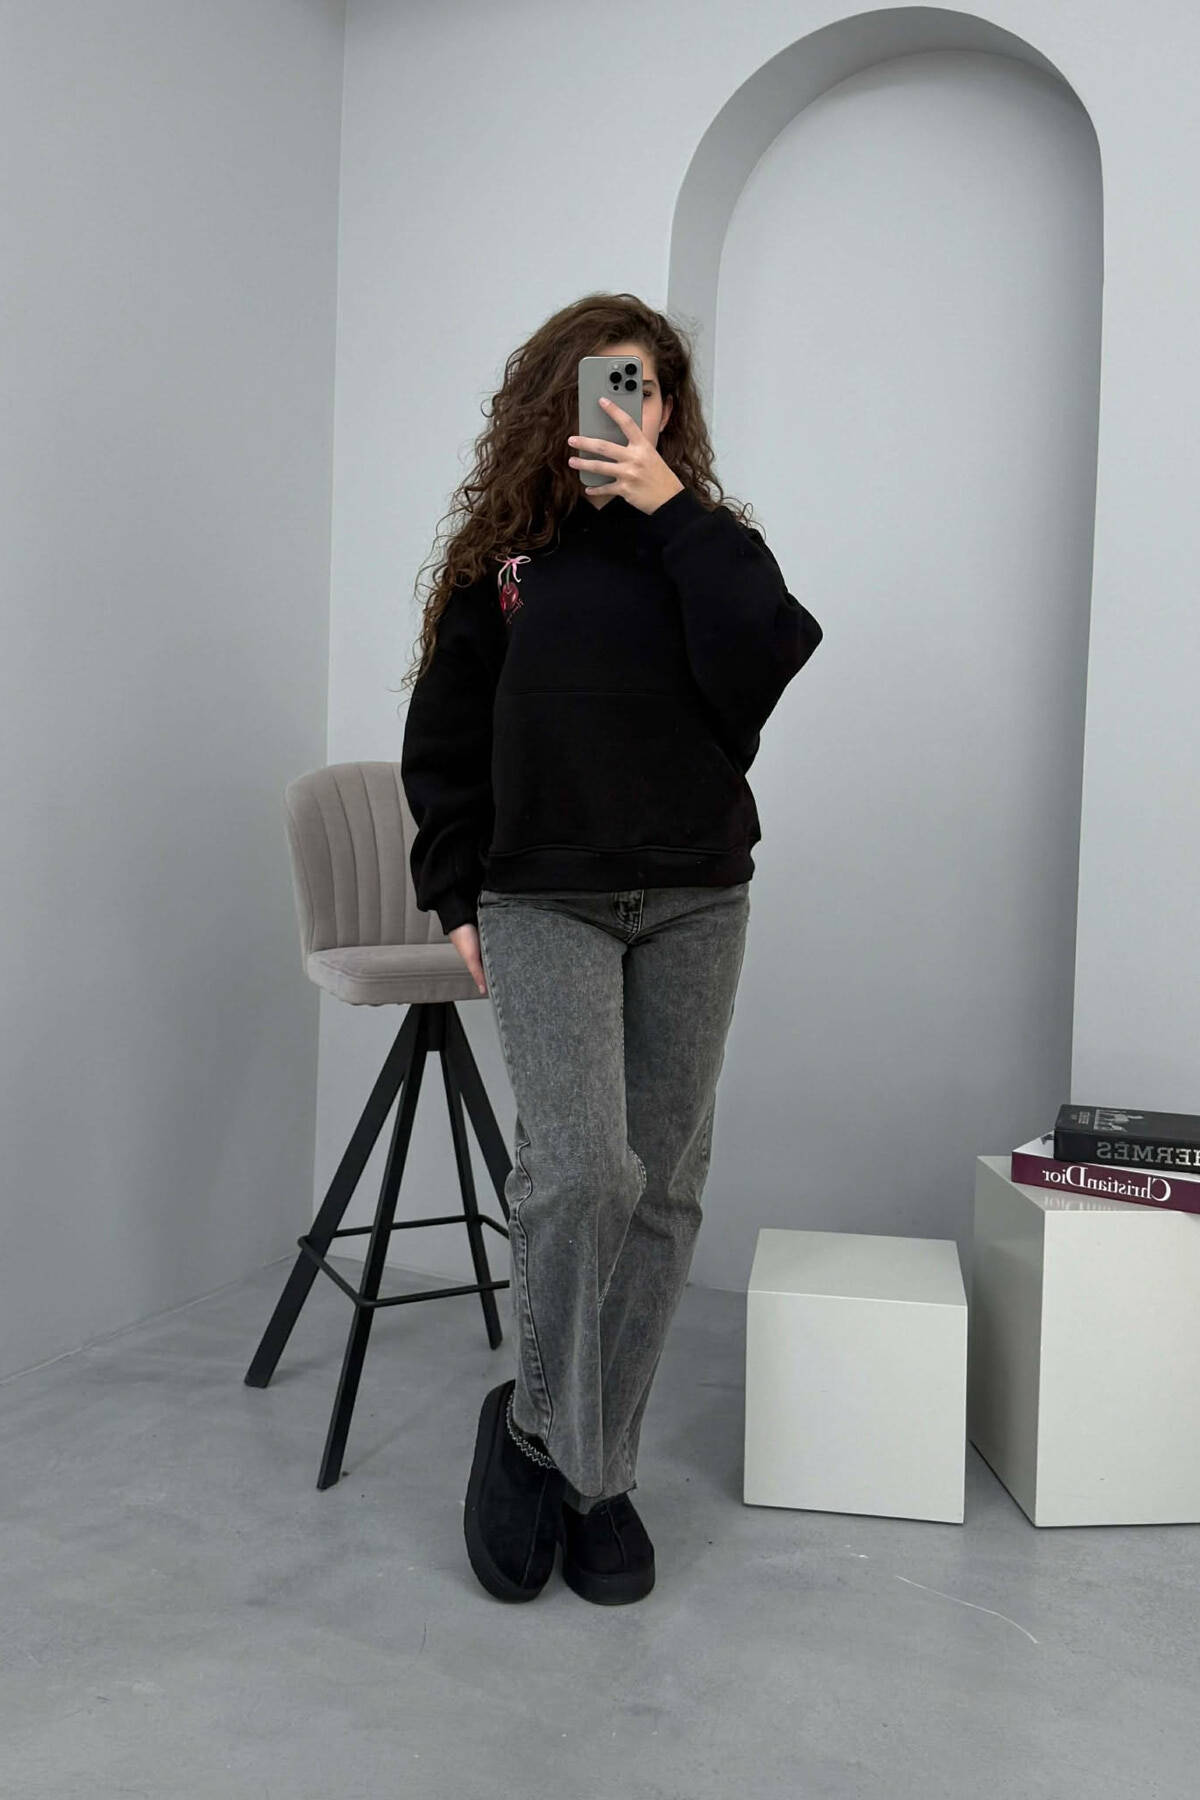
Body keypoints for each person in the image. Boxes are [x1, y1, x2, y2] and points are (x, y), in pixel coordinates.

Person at [399, 292, 823, 1606]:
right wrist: (452, 889)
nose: (624, 410)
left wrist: (673, 509)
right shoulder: (506, 567)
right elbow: (445, 738)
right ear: (557, 404)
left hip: (697, 897)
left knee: (665, 1190)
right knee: (584, 1172)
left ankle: (589, 1468)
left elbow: (765, 660)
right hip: (543, 899)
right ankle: (546, 1427)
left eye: (646, 388)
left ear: (670, 409)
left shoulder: (708, 546)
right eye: (603, 386)